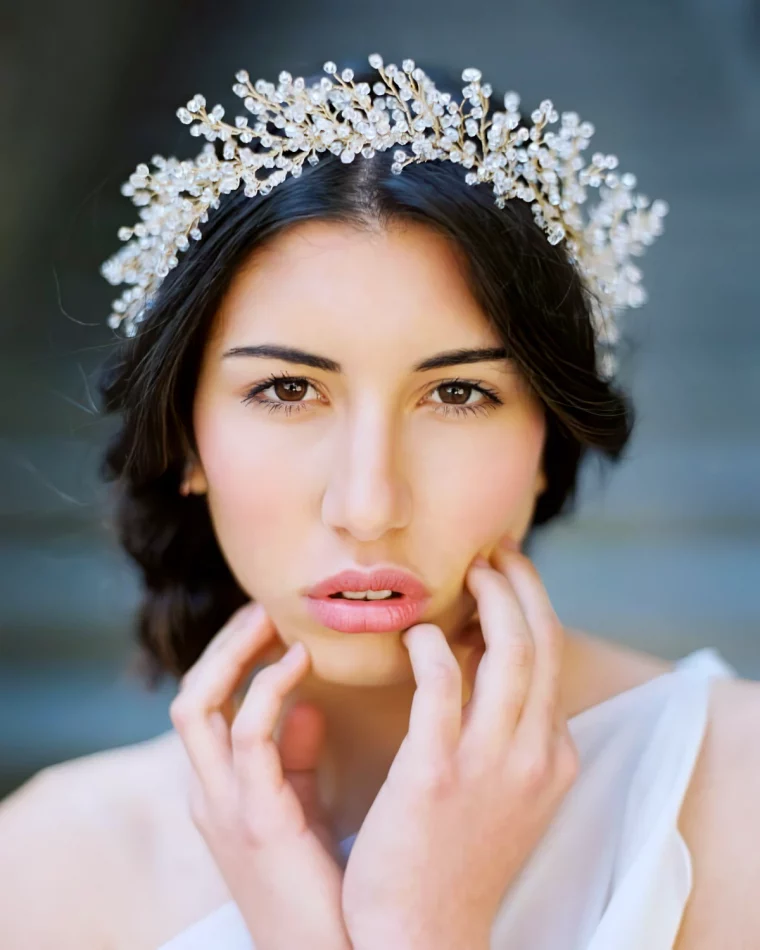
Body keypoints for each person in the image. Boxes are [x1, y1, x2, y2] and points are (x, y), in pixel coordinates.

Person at [0, 54, 758, 950]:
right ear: (187, 436)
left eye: (459, 394)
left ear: (550, 441)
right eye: (287, 389)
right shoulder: (48, 866)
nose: (368, 505)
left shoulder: (736, 790)